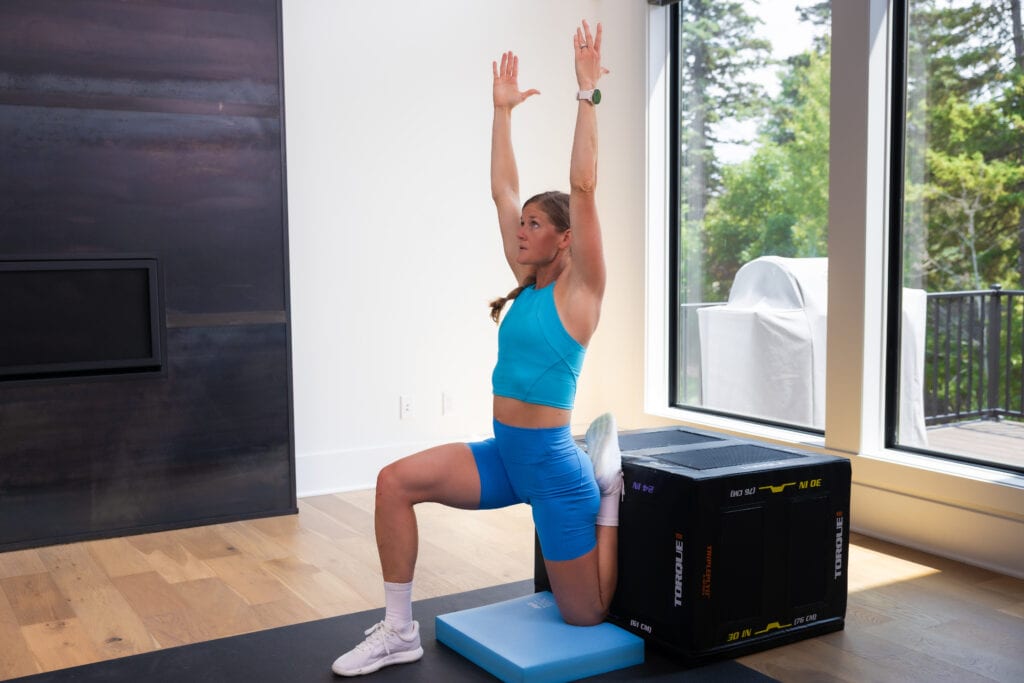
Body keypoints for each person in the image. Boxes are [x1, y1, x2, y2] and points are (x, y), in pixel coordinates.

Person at [331, 19, 622, 677]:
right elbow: (500, 188)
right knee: (393, 482)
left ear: (566, 240)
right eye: (521, 225)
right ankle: (399, 630)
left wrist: (586, 94)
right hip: (504, 456)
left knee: (587, 613)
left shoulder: (582, 295)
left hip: (552, 469)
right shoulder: (525, 285)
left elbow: (583, 186)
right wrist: (501, 113)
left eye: (535, 225)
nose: (520, 230)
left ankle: (608, 490)